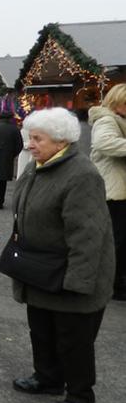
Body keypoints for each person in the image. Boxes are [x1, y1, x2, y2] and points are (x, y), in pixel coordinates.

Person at [11, 108, 113, 403]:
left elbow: (88, 234)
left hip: (70, 271)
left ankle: (81, 394)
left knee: (74, 338)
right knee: (41, 328)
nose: (31, 144)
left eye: (38, 138)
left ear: (61, 141)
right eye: (30, 137)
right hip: (40, 268)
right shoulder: (37, 166)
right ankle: (48, 377)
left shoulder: (81, 175)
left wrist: (78, 282)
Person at [88, 84, 126, 301]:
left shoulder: (116, 120)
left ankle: (116, 280)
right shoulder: (107, 120)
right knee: (115, 240)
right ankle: (111, 282)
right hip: (113, 191)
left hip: (117, 189)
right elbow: (104, 143)